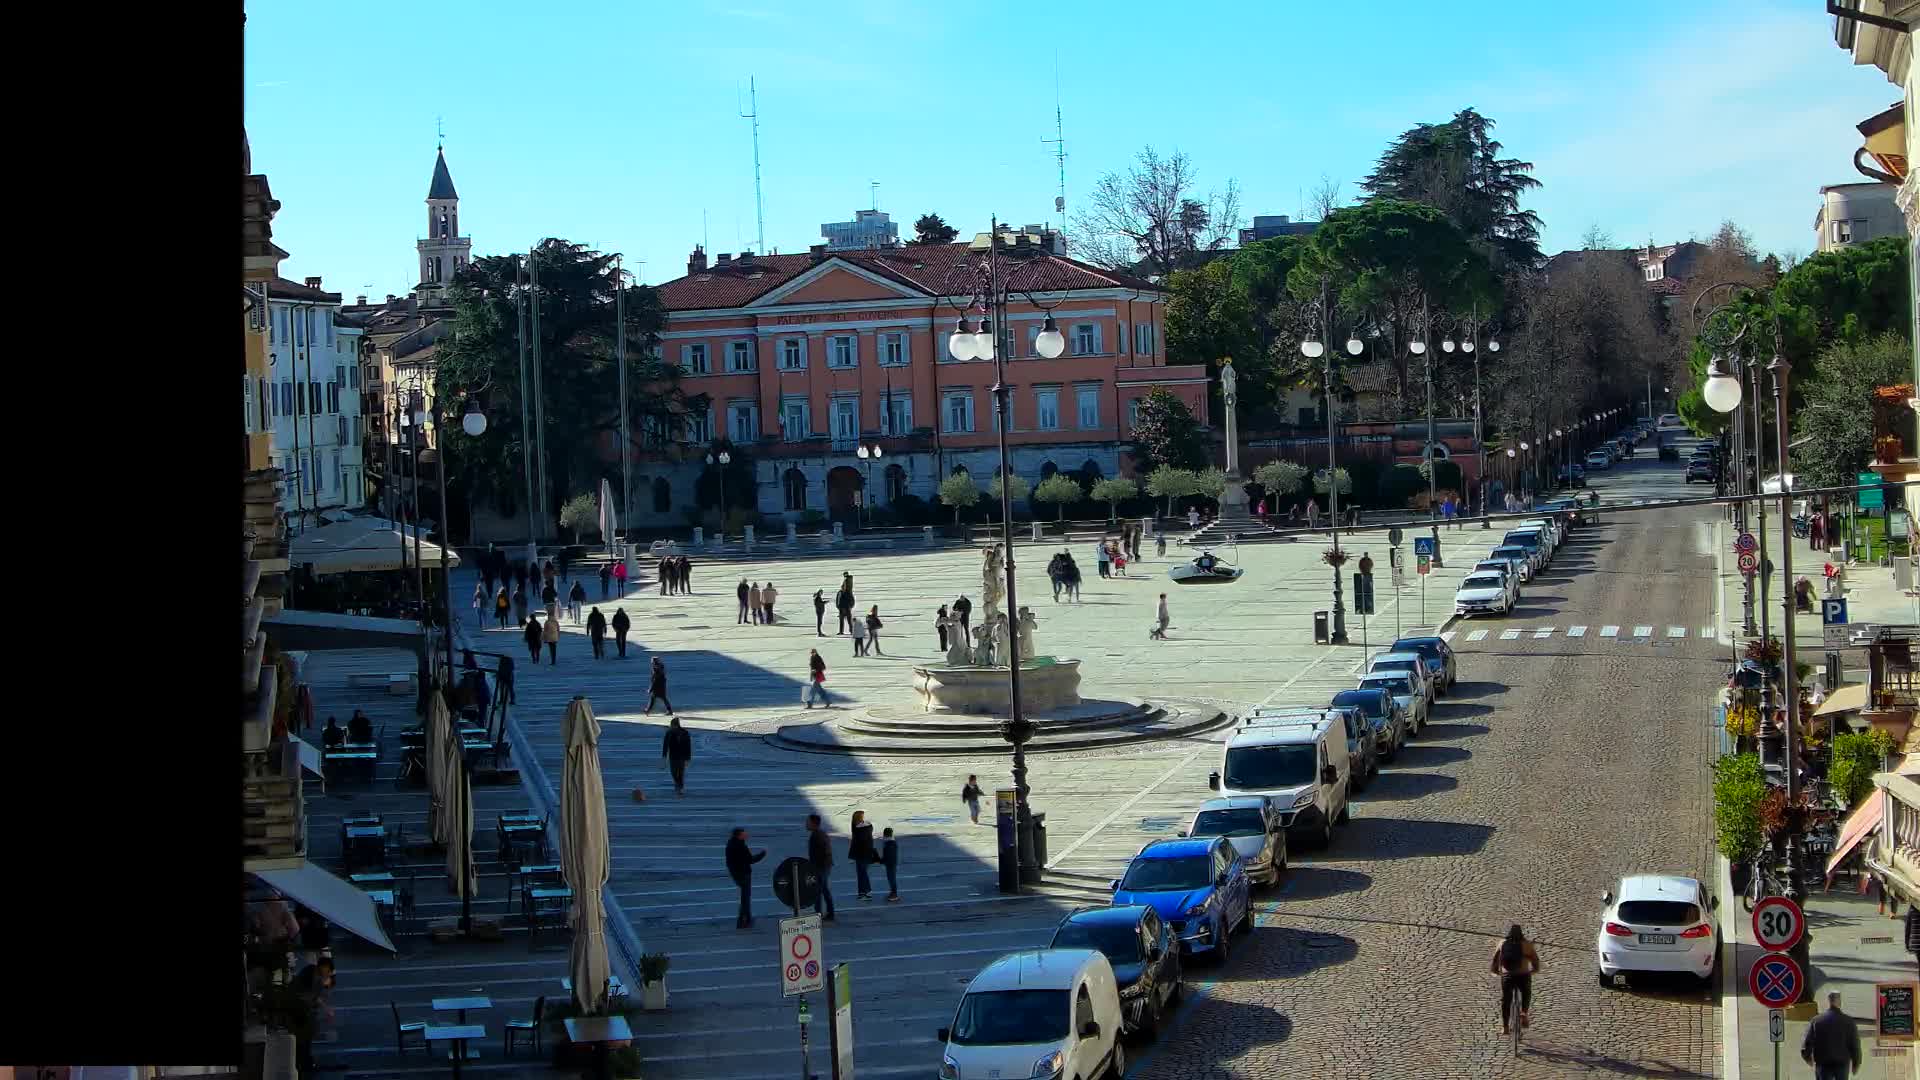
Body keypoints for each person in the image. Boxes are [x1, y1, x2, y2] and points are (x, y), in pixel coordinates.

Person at [1489, 924, 1541, 1035]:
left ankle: (1505, 1027)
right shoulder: (1527, 945)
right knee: (1527, 993)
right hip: (1523, 975)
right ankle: (1524, 1012)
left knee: (1506, 1000)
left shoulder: (1502, 943)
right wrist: (1533, 971)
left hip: (1508, 976)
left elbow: (1495, 959)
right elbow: (1535, 961)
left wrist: (1495, 971)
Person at [1802, 992, 1862, 1079]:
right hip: (1842, 1064)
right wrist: (1856, 1064)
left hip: (1823, 1064)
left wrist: (1807, 1057)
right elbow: (1855, 1044)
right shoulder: (1849, 1021)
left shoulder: (1816, 1021)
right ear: (1840, 1002)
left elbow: (1807, 1042)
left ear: (1829, 1002)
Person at [726, 826, 768, 929]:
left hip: (737, 874)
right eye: (744, 833)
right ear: (740, 835)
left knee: (745, 898)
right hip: (744, 874)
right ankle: (743, 921)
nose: (747, 834)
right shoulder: (740, 846)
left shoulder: (731, 844)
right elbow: (750, 860)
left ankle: (747, 919)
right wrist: (762, 854)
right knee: (745, 899)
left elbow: (729, 862)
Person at [806, 814, 836, 921]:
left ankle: (821, 913)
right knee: (821, 889)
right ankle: (825, 912)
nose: (806, 824)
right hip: (822, 866)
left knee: (819, 890)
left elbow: (825, 852)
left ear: (813, 823)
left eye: (808, 822)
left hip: (821, 867)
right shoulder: (819, 834)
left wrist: (816, 867)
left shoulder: (817, 835)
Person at [849, 810, 878, 900]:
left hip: (861, 854)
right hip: (866, 853)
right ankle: (862, 892)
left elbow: (857, 840)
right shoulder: (868, 826)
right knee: (862, 873)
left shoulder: (858, 829)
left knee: (862, 873)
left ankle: (866, 892)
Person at [661, 714, 692, 794]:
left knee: (680, 772)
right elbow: (666, 745)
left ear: (674, 725)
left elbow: (688, 745)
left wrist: (688, 758)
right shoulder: (669, 732)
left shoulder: (684, 733)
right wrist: (664, 756)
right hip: (674, 756)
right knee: (674, 772)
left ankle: (680, 787)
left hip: (680, 756)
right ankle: (678, 784)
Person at [880, 827, 900, 901]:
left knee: (892, 879)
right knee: (891, 879)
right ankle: (893, 893)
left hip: (891, 864)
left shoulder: (889, 843)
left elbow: (889, 855)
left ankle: (894, 894)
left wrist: (883, 861)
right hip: (891, 863)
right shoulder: (890, 842)